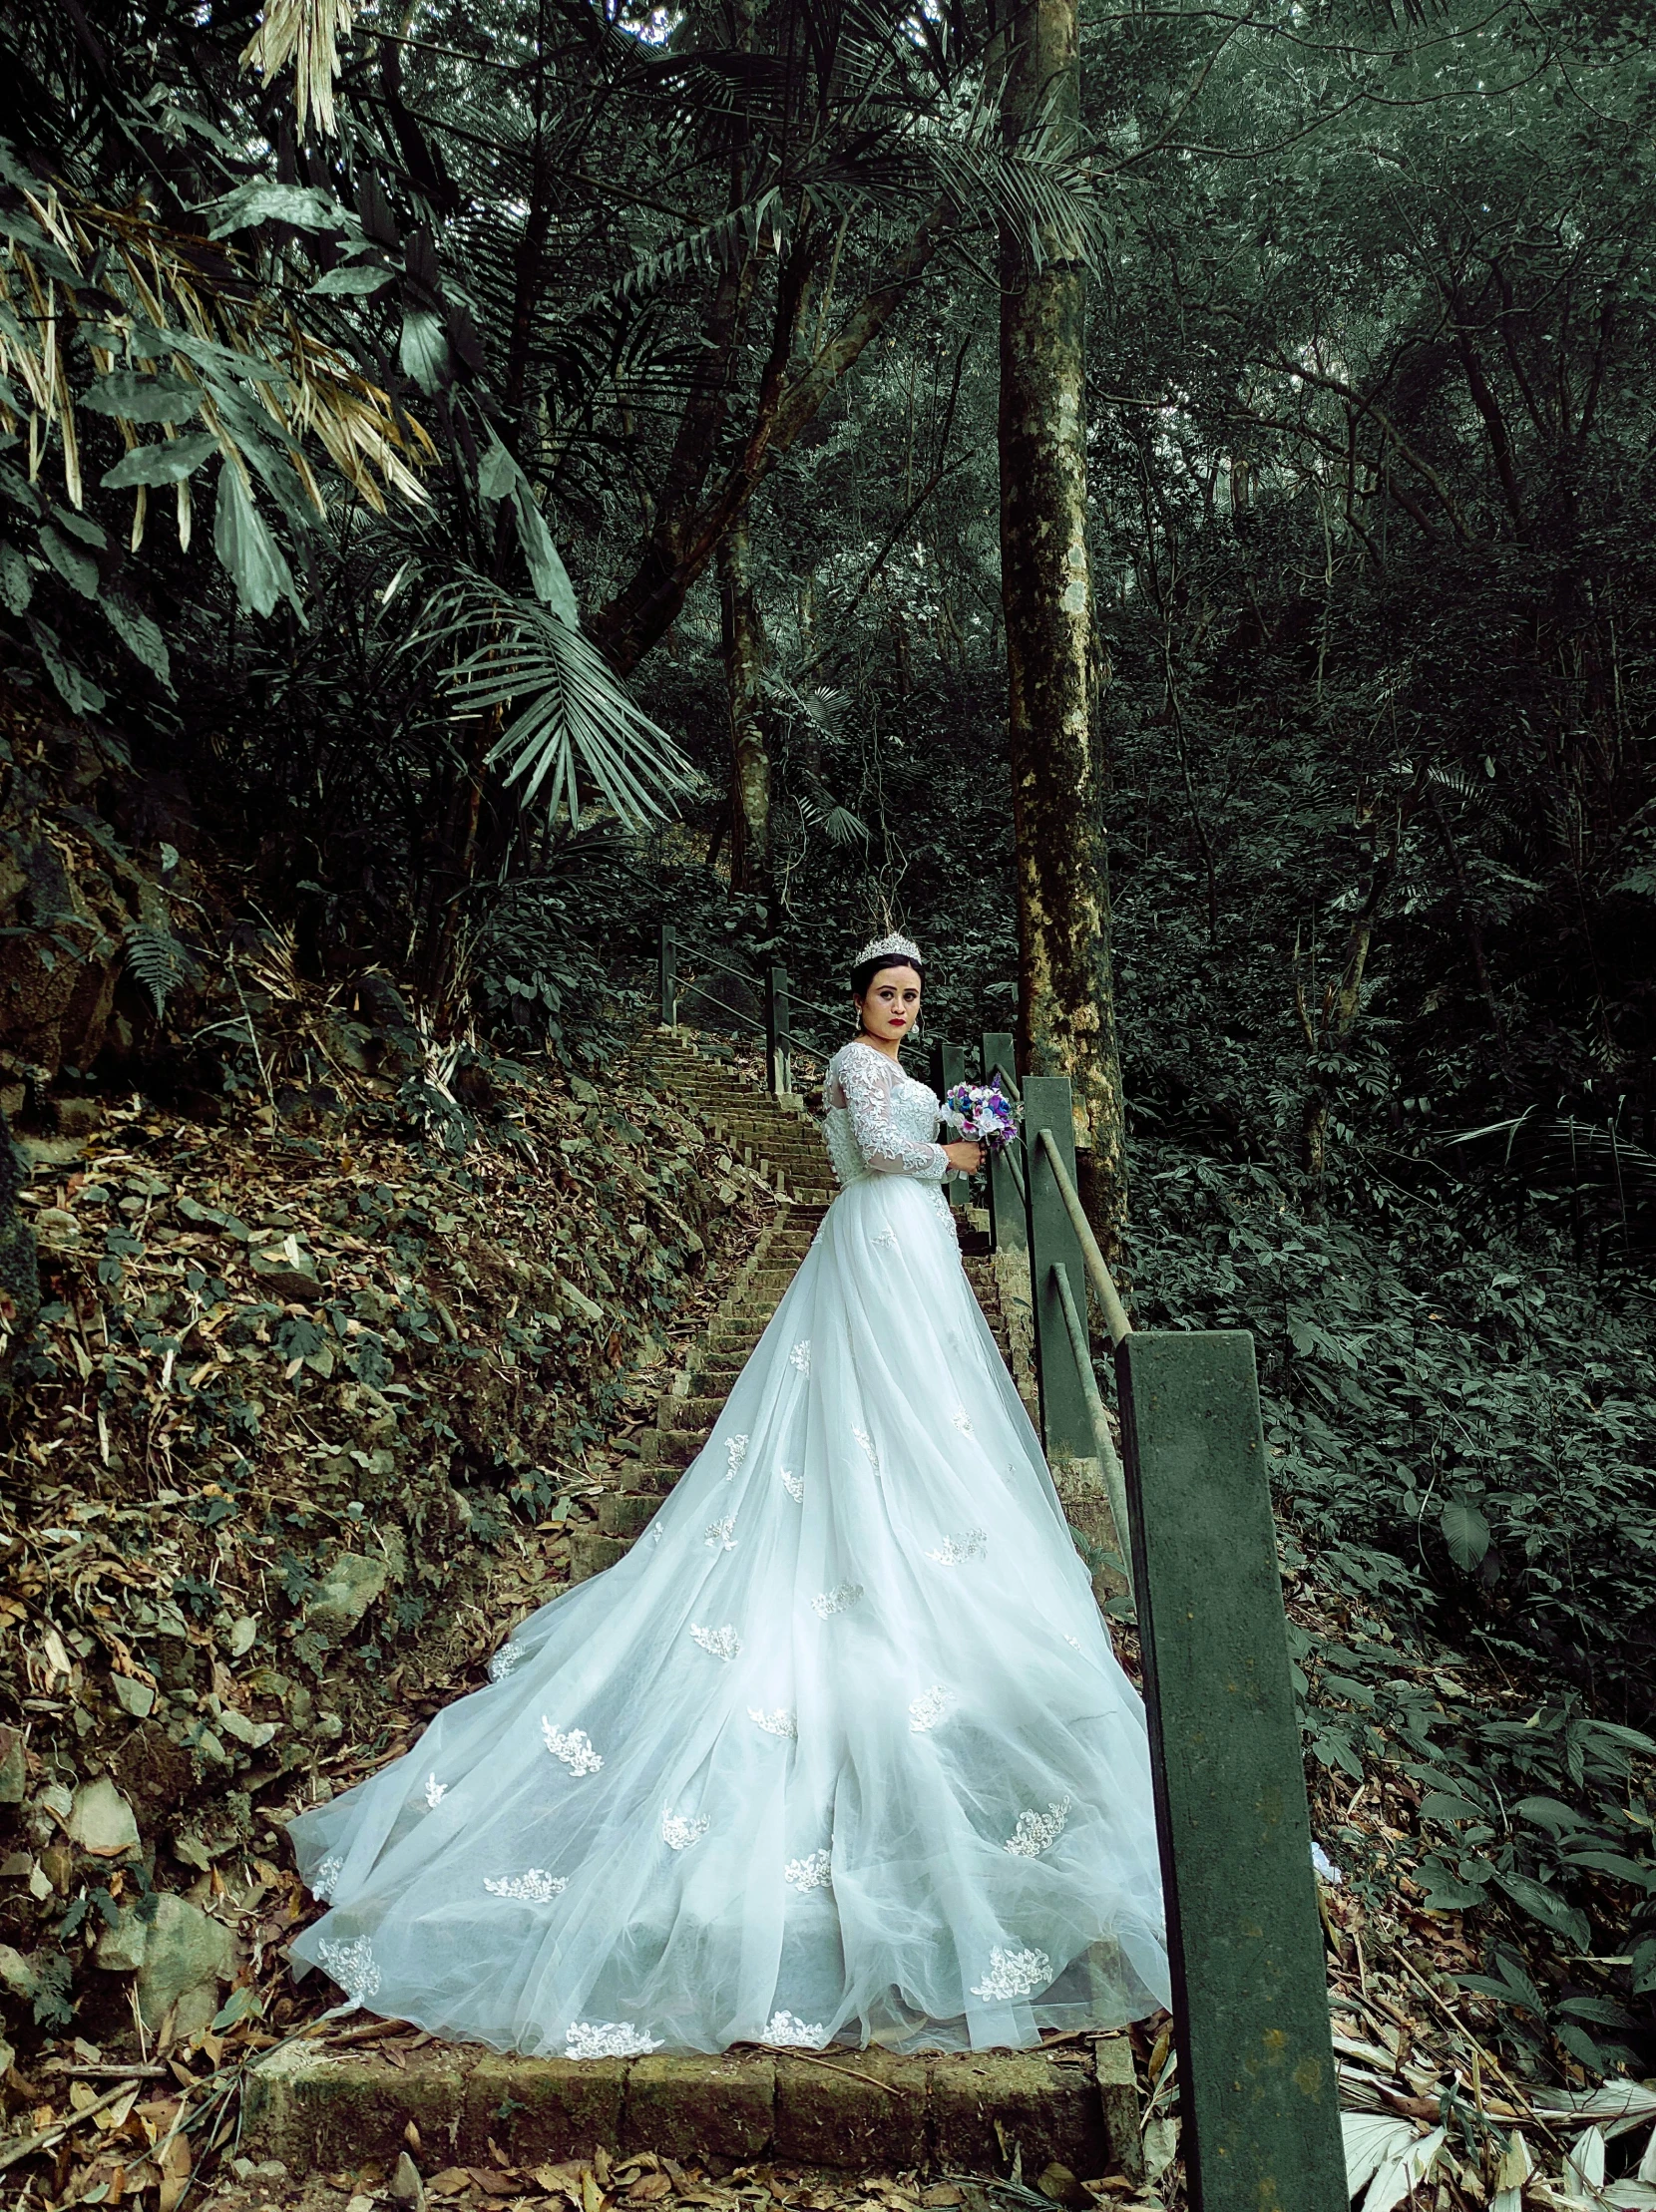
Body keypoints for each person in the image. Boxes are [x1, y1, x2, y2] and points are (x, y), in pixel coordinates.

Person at [286, 931, 1169, 2057]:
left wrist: (967, 1128)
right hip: (878, 1241)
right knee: (868, 1404)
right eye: (886, 994)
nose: (899, 1008)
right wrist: (964, 1146)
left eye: (910, 996)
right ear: (858, 999)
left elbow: (914, 1134)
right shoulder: (857, 1066)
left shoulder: (906, 1066)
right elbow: (886, 1148)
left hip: (915, 1254)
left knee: (930, 1407)